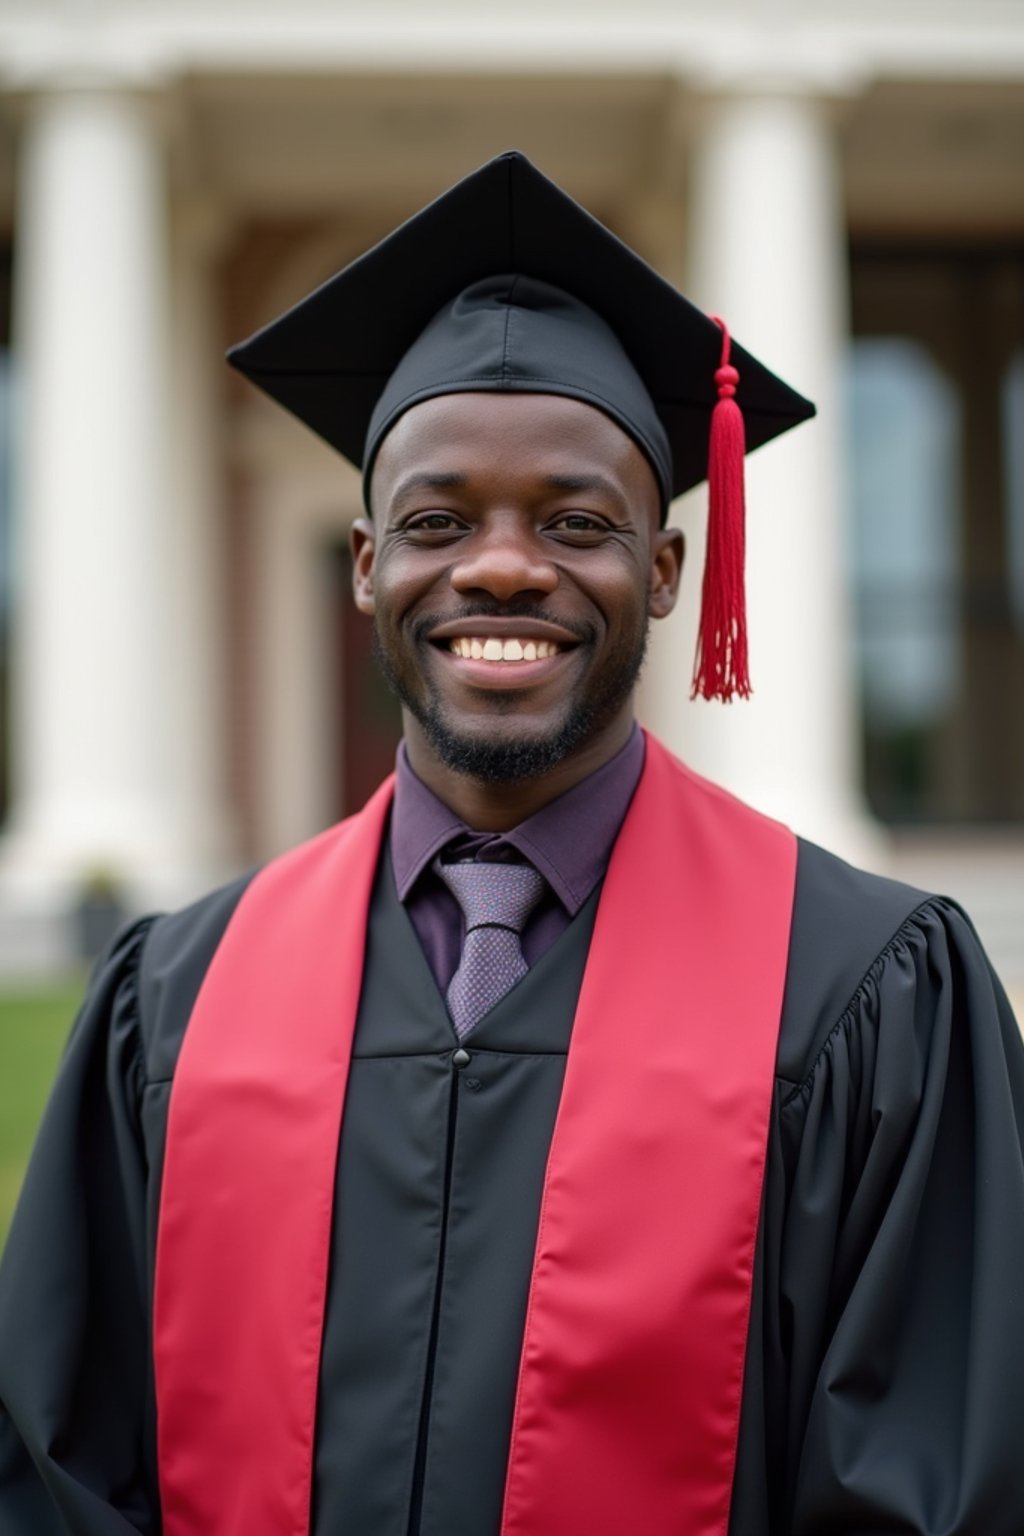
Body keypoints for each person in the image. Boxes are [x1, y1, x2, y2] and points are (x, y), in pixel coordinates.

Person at [1, 150, 1022, 1536]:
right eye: (437, 521)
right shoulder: (173, 1001)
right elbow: (60, 1472)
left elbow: (938, 1488)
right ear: (367, 562)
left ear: (664, 573)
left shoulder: (864, 989)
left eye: (575, 521)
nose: (498, 565)